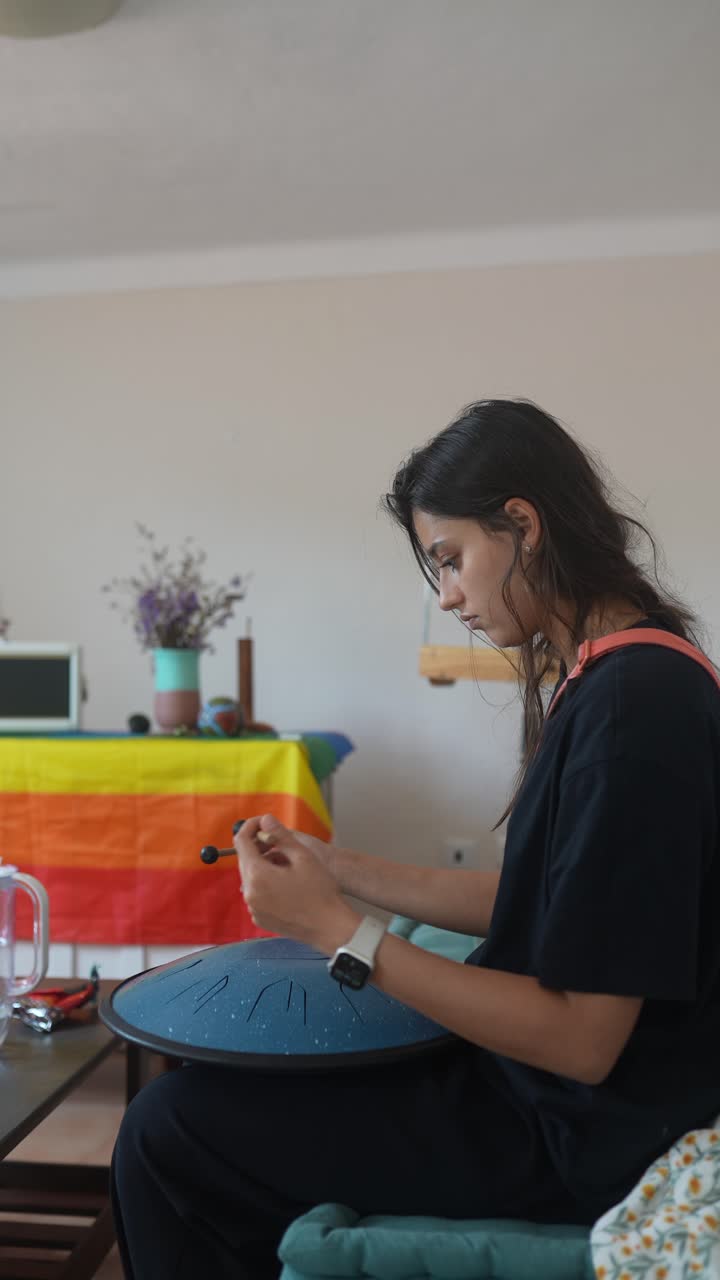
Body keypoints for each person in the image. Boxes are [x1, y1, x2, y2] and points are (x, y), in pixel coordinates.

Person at [110, 399, 720, 1279]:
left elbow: (584, 1042)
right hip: (558, 1100)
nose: (448, 597)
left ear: (523, 525)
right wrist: (336, 869)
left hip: (581, 1135)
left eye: (451, 559)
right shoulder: (624, 675)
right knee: (214, 1097)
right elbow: (544, 900)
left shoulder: (634, 711)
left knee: (169, 1131)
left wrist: (339, 932)